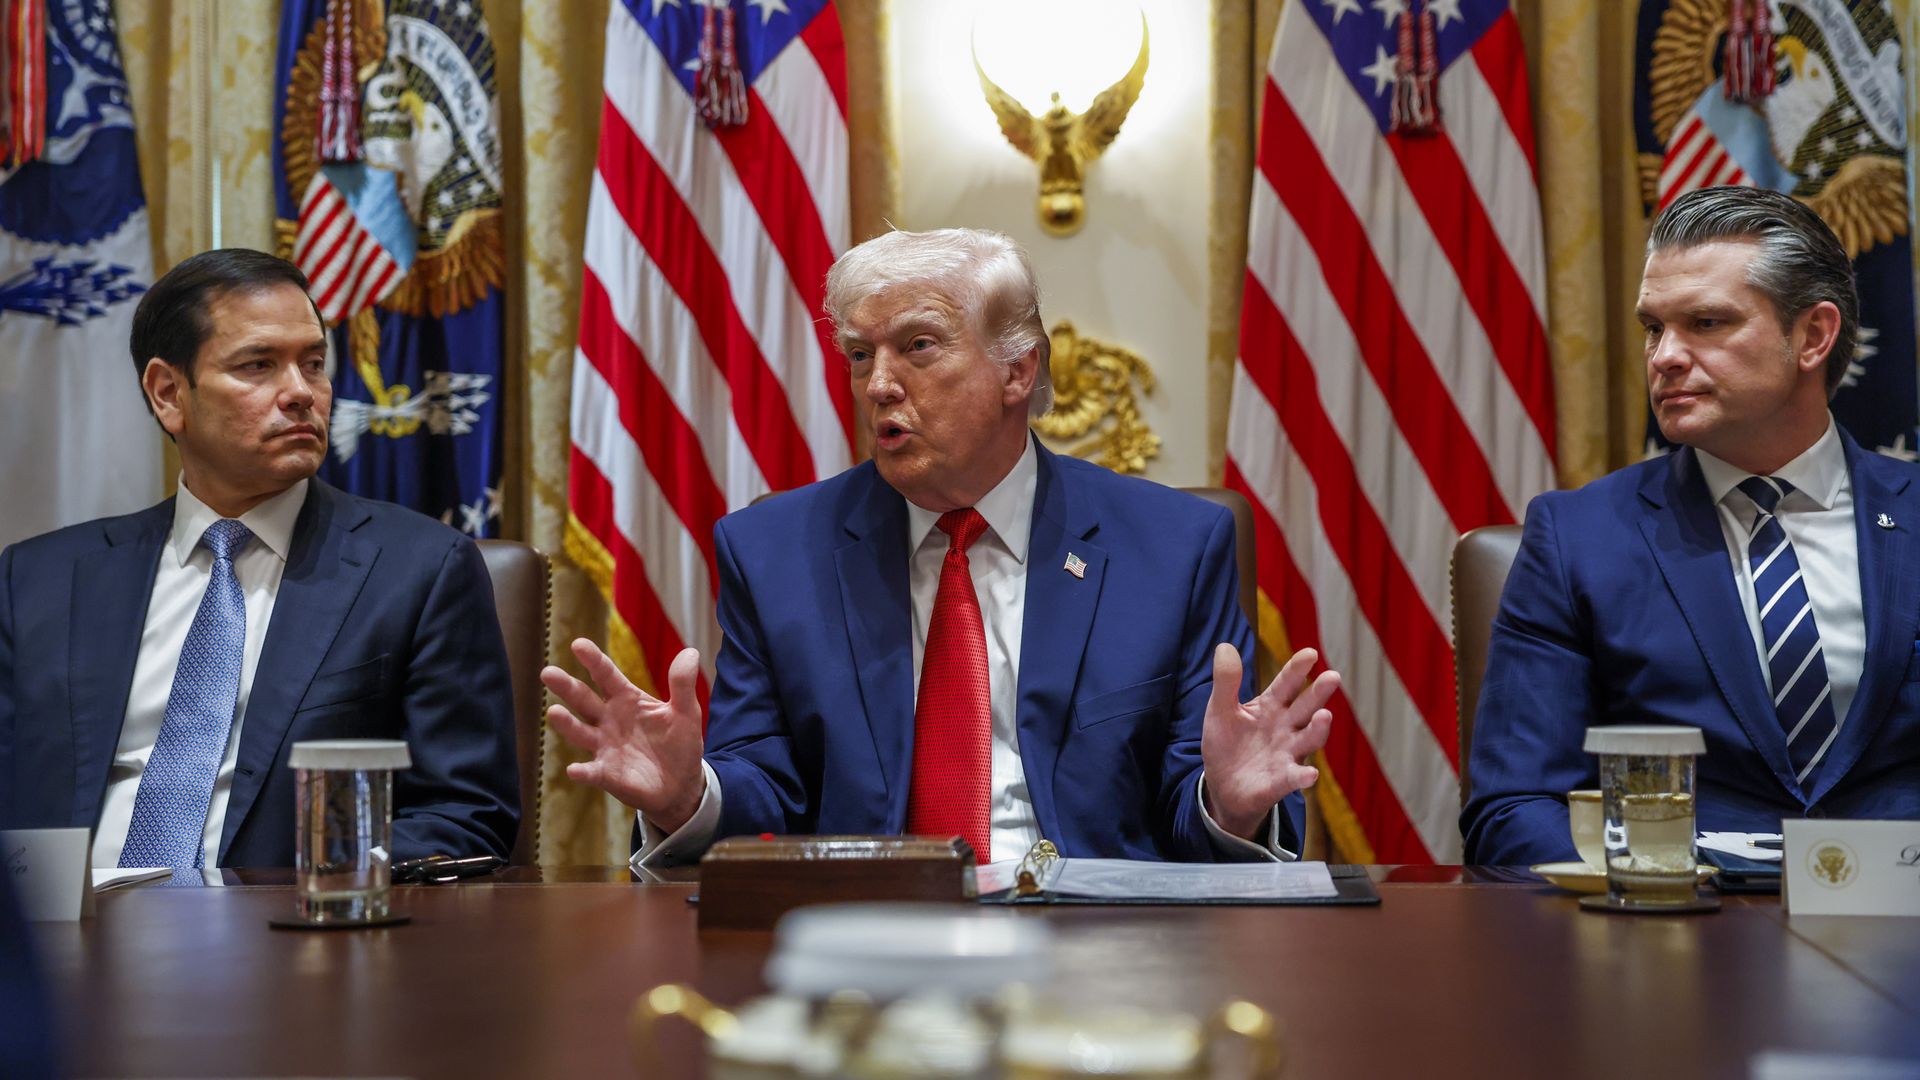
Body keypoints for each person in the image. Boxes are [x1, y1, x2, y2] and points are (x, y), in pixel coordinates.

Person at [545, 227, 1340, 865]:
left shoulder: (1173, 548)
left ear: (1017, 371)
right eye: (861, 355)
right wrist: (690, 796)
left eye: (917, 347)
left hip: (1103, 949)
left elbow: (1191, 798)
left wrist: (1228, 804)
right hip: (868, 953)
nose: (879, 384)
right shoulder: (773, 552)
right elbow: (769, 796)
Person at [0, 249, 519, 872]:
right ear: (169, 394)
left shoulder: (420, 570)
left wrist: (269, 894)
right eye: (258, 366)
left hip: (292, 941)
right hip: (63, 945)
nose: (301, 393)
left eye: (314, 365)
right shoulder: (40, 580)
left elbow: (464, 819)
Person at [1463, 186, 1920, 865]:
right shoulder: (1578, 539)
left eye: (1706, 323)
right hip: (1675, 942)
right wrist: (1659, 899)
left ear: (1813, 336)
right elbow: (1513, 810)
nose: (1664, 357)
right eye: (1654, 327)